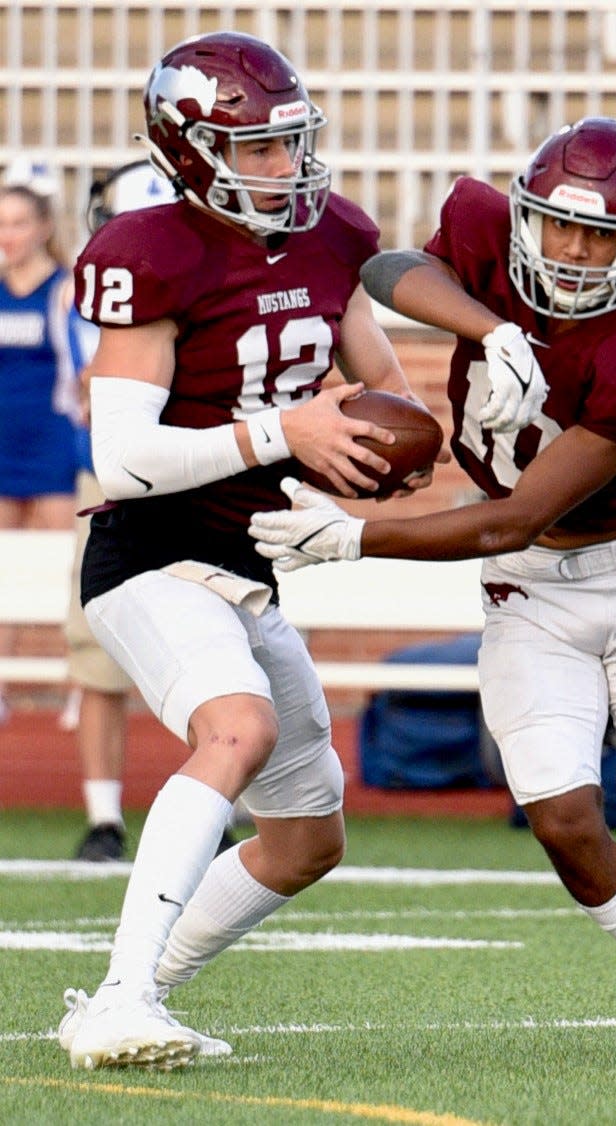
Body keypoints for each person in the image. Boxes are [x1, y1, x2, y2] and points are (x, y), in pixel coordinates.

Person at [248, 117, 616, 1076]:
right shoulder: (483, 233)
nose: (575, 251)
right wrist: (489, 325)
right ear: (524, 214)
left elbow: (511, 516)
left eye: (600, 236)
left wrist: (354, 538)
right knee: (560, 818)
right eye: (556, 226)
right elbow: (389, 270)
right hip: (530, 593)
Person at [58, 30, 445, 1070]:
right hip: (149, 552)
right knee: (236, 726)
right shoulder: (149, 251)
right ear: (189, 151)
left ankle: (121, 996)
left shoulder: (332, 237)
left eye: (290, 143)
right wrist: (284, 433)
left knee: (306, 839)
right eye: (260, 150)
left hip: (252, 562)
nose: (286, 168)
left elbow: (382, 395)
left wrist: (389, 448)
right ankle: (128, 991)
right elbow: (125, 458)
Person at [68, 160, 179, 861]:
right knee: (96, 656)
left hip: (207, 478)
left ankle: (216, 804)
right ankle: (104, 816)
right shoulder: (89, 292)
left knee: (230, 650)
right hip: (115, 480)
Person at [0, 164, 84, 725]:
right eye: (0, 223)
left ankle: (80, 681)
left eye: (20, 222)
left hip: (52, 442)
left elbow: (81, 372)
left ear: (44, 226)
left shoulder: (66, 289)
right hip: (1, 442)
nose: (9, 234)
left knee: (65, 566)